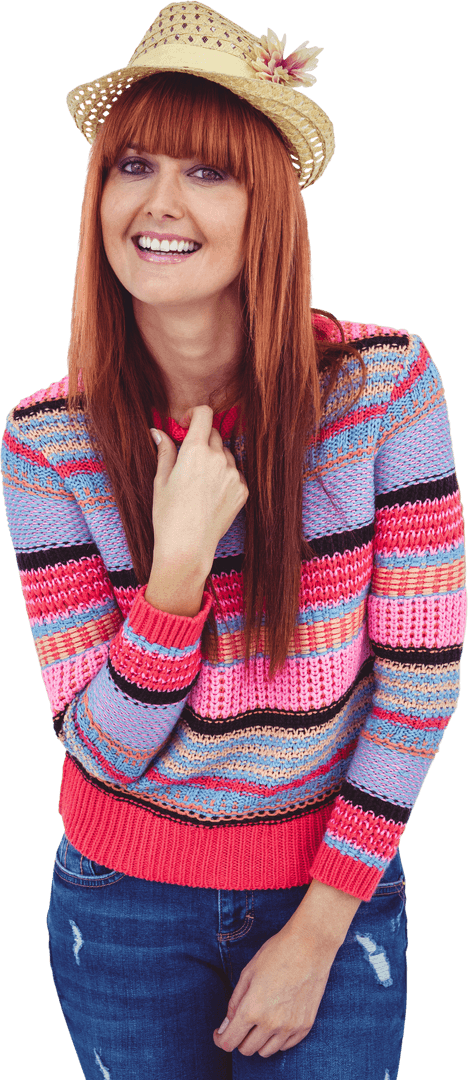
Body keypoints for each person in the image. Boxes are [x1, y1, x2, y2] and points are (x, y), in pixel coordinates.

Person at [1, 3, 466, 1077]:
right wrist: (172, 579)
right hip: (119, 906)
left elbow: (422, 679)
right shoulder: (46, 441)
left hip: (332, 889)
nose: (159, 204)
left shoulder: (386, 389)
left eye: (209, 173)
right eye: (133, 166)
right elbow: (100, 751)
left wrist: (317, 929)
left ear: (272, 202)